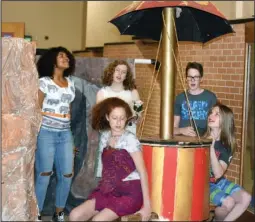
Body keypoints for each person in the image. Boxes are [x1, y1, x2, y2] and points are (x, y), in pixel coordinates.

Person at [69, 97, 151, 221]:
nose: (118, 122)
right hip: (107, 190)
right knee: (74, 215)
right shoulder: (105, 137)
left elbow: (142, 172)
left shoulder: (130, 139)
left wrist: (147, 206)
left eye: (122, 118)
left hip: (129, 193)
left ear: (126, 119)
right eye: (114, 118)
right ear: (107, 117)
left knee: (98, 220)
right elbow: (107, 169)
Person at [36, 46, 76, 221]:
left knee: (67, 174)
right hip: (46, 133)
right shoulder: (43, 82)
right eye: (61, 55)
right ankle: (35, 214)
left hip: (65, 134)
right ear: (52, 60)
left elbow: (69, 109)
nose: (66, 58)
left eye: (67, 56)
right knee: (44, 174)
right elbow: (36, 109)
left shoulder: (71, 82)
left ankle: (58, 213)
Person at [206, 103, 251, 221]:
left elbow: (218, 174)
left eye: (217, 114)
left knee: (246, 198)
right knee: (228, 202)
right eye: (211, 112)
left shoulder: (226, 145)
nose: (211, 115)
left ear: (225, 121)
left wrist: (211, 147)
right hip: (204, 184)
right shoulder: (200, 138)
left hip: (219, 181)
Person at [96, 59, 142, 135]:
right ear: (111, 72)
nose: (120, 74)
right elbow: (99, 118)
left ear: (126, 76)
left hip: (128, 134)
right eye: (117, 70)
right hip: (108, 135)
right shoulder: (101, 93)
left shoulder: (134, 92)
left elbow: (139, 115)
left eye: (123, 72)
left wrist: (133, 117)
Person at [174, 62, 217, 137]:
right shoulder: (179, 98)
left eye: (196, 77)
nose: (192, 80)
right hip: (183, 143)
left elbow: (216, 127)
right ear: (186, 79)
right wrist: (182, 130)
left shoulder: (211, 97)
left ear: (201, 79)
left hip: (203, 143)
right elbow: (173, 129)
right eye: (190, 77)